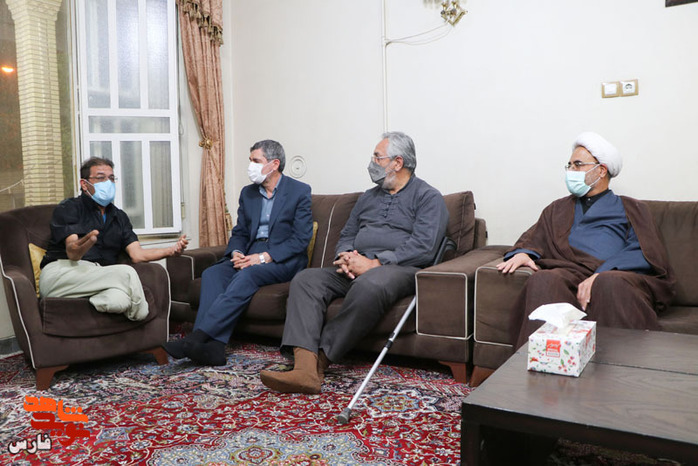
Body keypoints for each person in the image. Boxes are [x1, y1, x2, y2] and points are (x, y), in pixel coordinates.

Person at [260, 131, 449, 394]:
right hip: (356, 266)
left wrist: (375, 263)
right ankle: (304, 368)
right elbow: (348, 233)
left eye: (377, 157)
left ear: (397, 162)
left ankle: (321, 360)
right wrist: (346, 256)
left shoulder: (428, 197)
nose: (372, 162)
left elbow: (424, 247)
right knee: (305, 280)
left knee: (370, 283)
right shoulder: (368, 197)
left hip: (398, 269)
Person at [496, 132, 675, 349]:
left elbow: (644, 250)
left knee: (608, 283)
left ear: (601, 170)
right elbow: (535, 237)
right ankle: (542, 364)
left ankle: (618, 367)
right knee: (544, 279)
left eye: (578, 165)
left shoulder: (632, 208)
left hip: (616, 277)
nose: (571, 171)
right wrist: (524, 252)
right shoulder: (557, 208)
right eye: (569, 165)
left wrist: (601, 274)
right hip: (569, 274)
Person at [164, 139, 313, 366]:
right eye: (250, 160)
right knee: (213, 274)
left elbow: (301, 239)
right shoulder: (248, 193)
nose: (250, 166)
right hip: (250, 252)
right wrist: (236, 252)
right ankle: (215, 348)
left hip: (283, 258)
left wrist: (263, 258)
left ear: (274, 164)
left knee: (248, 274)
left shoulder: (299, 191)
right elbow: (240, 232)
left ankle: (196, 338)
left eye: (256, 161)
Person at [40, 157, 189, 321]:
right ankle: (142, 316)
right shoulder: (69, 207)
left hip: (98, 277)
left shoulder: (119, 217)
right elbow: (73, 253)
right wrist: (86, 243)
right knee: (127, 273)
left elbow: (137, 255)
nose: (108, 183)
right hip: (63, 272)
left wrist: (171, 251)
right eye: (100, 178)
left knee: (119, 300)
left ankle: (84, 302)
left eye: (111, 178)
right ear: (84, 184)